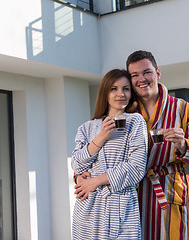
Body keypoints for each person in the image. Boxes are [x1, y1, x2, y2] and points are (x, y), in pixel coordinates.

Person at [126, 50, 189, 240]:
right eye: (134, 75)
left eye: (146, 72)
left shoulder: (183, 110)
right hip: (134, 196)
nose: (141, 79)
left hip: (170, 193)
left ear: (157, 73)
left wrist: (183, 145)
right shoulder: (125, 112)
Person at [71, 69, 148, 239]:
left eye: (126, 89)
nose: (120, 94)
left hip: (121, 205)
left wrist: (95, 181)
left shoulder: (135, 122)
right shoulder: (87, 127)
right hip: (89, 206)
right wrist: (102, 136)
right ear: (105, 92)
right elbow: (76, 165)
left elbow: (136, 167)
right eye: (114, 89)